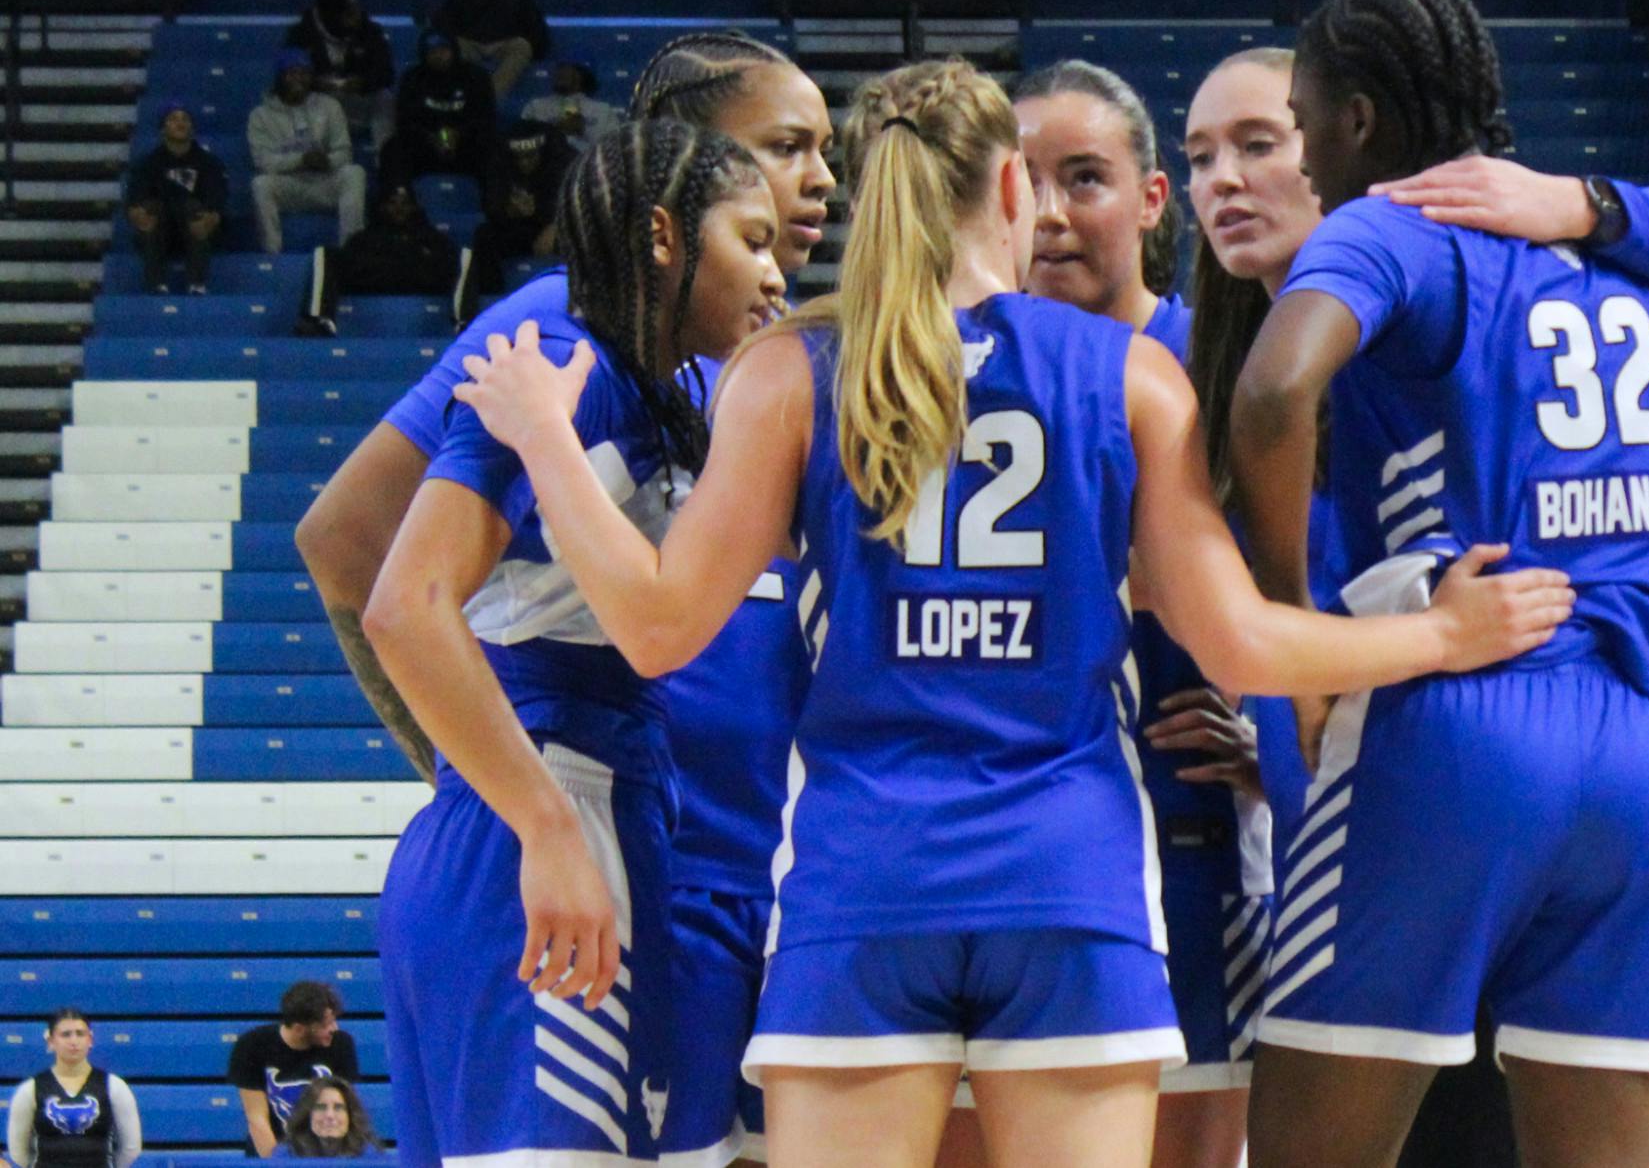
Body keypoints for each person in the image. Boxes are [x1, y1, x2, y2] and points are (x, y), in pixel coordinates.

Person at [447, 56, 1576, 1168]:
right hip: (1067, 878)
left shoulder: (791, 372)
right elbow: (1238, 643)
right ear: (1007, 188)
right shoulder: (1130, 374)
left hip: (863, 880)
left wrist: (544, 436)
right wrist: (1442, 633)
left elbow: (655, 627)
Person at [1222, 0, 1649, 1168]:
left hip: (1452, 725)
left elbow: (1273, 394)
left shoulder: (1382, 227)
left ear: (1359, 121)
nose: (1308, 158)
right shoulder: (1625, 278)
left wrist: (1292, 638)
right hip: (1639, 758)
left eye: (1304, 121)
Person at [293, 30, 835, 1168]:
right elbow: (383, 579)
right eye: (785, 149)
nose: (819, 181)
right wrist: (510, 796)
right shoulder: (555, 341)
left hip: (685, 842)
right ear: (674, 185)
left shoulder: (688, 367)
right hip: (578, 825)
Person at [999, 57, 1266, 1168]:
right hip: (1004, 869)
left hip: (1189, 854)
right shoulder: (949, 366)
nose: (1051, 212)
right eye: (1026, 180)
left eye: (1085, 177)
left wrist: (1278, 735)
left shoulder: (1218, 365)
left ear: (1154, 199)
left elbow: (1301, 582)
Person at [295, 181, 462, 337]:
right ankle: (320, 319)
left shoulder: (432, 238)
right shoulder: (364, 238)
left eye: (405, 204)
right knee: (325, 254)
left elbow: (443, 265)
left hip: (419, 282)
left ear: (414, 207)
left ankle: (464, 324)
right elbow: (353, 265)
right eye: (393, 203)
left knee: (465, 257)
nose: (399, 209)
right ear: (382, 207)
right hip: (374, 282)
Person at [248, 49, 367, 256]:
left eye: (304, 73)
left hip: (324, 181)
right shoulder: (260, 115)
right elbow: (263, 161)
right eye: (292, 73)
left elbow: (344, 152)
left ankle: (350, 252)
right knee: (260, 184)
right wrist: (300, 160)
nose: (299, 79)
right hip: (290, 185)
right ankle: (272, 255)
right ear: (280, 77)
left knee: (355, 173)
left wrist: (327, 161)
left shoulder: (330, 106)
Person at [459, 120, 575, 327]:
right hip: (516, 228)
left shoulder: (561, 162)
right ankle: (490, 300)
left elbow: (577, 202)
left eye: (530, 157)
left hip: (552, 227)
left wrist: (556, 225)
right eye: (519, 158)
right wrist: (508, 210)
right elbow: (492, 206)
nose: (525, 163)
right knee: (484, 235)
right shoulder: (499, 163)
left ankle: (573, 302)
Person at [226, 981, 357, 1158]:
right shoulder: (252, 1046)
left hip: (326, 1153)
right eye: (325, 1025)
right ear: (299, 1029)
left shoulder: (341, 1044)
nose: (334, 1029)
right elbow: (257, 1118)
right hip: (271, 1148)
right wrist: (277, 1163)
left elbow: (344, 1113)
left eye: (333, 1021)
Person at [6, 1010, 141, 1168]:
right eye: (65, 1034)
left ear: (90, 1040)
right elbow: (18, 1151)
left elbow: (131, 1148)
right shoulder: (30, 1089)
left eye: (80, 1034)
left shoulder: (115, 1087)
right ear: (50, 1041)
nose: (74, 1041)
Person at [124, 102, 226, 294]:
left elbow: (217, 199)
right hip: (160, 232)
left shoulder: (209, 163)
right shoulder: (148, 164)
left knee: (194, 208)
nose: (180, 123)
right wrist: (139, 215)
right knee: (151, 208)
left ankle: (196, 284)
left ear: (192, 128)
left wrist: (210, 218)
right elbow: (134, 200)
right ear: (163, 128)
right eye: (173, 119)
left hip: (197, 231)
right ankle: (156, 284)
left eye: (185, 119)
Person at [284, 0, 396, 149]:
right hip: (318, 102)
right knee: (295, 99)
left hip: (356, 100)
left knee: (384, 98)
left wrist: (363, 83)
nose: (353, 19)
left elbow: (386, 74)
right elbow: (286, 77)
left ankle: (386, 155)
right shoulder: (301, 34)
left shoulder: (370, 31)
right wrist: (314, 83)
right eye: (347, 14)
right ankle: (313, 154)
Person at [379, 29, 498, 187]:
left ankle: (497, 201)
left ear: (453, 50)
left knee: (495, 149)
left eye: (443, 50)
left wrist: (459, 134)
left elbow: (486, 118)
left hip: (466, 146)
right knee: (393, 149)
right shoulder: (412, 78)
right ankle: (400, 198)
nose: (438, 55)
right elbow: (405, 121)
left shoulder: (476, 76)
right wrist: (430, 137)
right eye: (432, 51)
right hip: (425, 147)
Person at [433, 0, 549, 99]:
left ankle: (488, 98)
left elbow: (537, 32)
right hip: (470, 45)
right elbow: (443, 25)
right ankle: (468, 97)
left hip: (505, 45)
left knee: (522, 46)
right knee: (453, 46)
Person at [523, 61, 619, 154]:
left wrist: (584, 130)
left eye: (566, 68)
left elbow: (612, 147)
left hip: (588, 161)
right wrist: (555, 130)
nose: (560, 71)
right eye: (559, 67)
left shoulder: (603, 110)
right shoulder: (535, 106)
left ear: (580, 75)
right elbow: (522, 139)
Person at [272, 1077, 379, 1159]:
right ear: (307, 1115)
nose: (330, 1115)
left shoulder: (368, 1155)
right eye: (321, 1107)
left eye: (338, 1107)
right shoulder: (287, 1154)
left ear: (350, 1116)